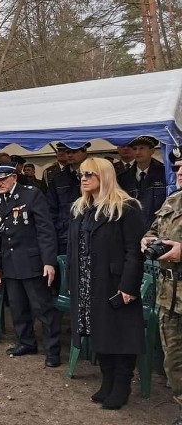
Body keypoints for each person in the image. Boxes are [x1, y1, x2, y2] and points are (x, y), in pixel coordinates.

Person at [68, 157, 145, 410]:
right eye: (81, 174)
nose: (84, 178)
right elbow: (74, 249)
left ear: (105, 176)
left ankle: (122, 384)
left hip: (115, 282)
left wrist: (128, 287)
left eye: (90, 174)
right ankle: (108, 380)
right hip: (89, 282)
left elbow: (134, 251)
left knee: (120, 334)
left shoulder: (126, 207)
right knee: (100, 332)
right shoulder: (82, 208)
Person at [0, 162, 61, 367]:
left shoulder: (31, 194)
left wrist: (49, 261)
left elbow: (45, 230)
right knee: (18, 308)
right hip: (9, 262)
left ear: (14, 177)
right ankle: (26, 342)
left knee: (43, 308)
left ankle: (52, 350)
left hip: (32, 261)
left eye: (3, 179)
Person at [142, 147, 182, 425]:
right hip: (169, 297)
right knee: (174, 363)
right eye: (178, 167)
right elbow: (155, 229)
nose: (179, 172)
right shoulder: (173, 200)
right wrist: (147, 239)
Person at [47, 142, 90, 254]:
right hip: (65, 234)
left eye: (74, 151)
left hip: (89, 232)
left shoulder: (94, 176)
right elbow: (51, 209)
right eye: (68, 152)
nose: (70, 155)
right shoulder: (57, 179)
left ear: (85, 152)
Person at [117, 135, 167, 229]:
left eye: (142, 148)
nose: (137, 152)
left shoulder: (164, 174)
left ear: (152, 151)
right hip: (131, 230)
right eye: (135, 148)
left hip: (157, 229)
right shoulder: (123, 178)